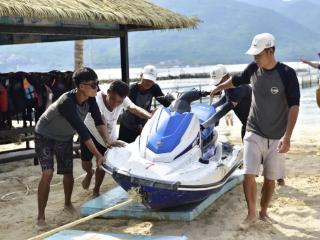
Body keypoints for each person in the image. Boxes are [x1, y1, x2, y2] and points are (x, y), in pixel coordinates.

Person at [210, 33, 300, 229]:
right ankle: (251, 214)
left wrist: (288, 137)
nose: (255, 58)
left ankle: (263, 211)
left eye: (258, 54)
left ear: (271, 51)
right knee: (249, 173)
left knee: (270, 179)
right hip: (253, 130)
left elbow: (294, 106)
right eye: (254, 54)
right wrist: (219, 88)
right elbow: (237, 80)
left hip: (277, 136)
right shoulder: (253, 68)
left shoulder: (287, 73)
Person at [34, 67, 110, 227]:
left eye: (98, 83)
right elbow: (82, 130)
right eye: (94, 85)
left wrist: (107, 140)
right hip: (45, 135)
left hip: (64, 137)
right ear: (81, 86)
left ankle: (67, 203)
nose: (97, 88)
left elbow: (98, 121)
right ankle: (41, 216)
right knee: (47, 173)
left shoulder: (91, 99)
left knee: (67, 172)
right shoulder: (66, 102)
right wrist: (97, 155)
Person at [82, 80, 152, 196]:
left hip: (110, 134)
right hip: (90, 131)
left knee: (102, 163)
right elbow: (101, 120)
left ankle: (96, 189)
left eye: (119, 102)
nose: (115, 104)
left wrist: (150, 116)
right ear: (108, 92)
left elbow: (134, 108)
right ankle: (89, 173)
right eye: (112, 99)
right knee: (86, 163)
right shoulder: (96, 99)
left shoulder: (123, 99)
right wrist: (107, 140)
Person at [119, 65, 171, 143]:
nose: (149, 82)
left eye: (151, 80)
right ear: (141, 77)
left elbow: (164, 101)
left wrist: (174, 106)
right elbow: (133, 110)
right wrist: (140, 128)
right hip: (128, 125)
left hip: (143, 123)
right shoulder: (132, 89)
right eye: (146, 79)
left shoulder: (154, 88)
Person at [201, 64, 252, 141]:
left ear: (226, 76)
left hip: (256, 126)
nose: (218, 85)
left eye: (219, 82)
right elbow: (226, 98)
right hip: (247, 124)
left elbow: (224, 110)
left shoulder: (239, 88)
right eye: (216, 84)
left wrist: (203, 126)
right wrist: (213, 106)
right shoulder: (228, 85)